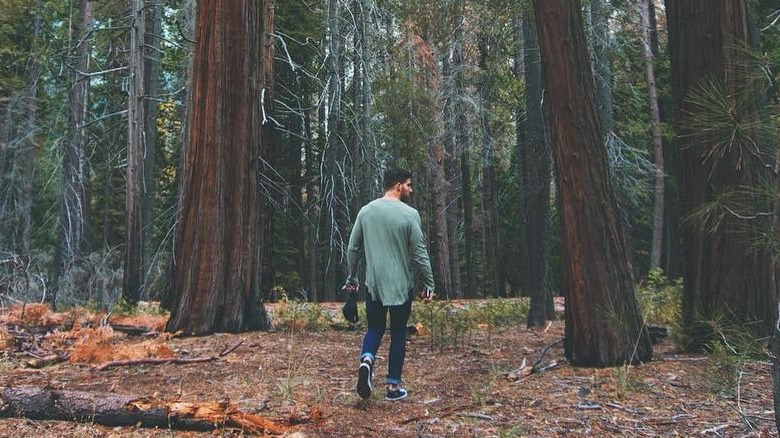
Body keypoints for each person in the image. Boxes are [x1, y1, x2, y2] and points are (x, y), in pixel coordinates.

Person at [344, 167, 435, 401]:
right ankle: (393, 388)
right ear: (397, 186)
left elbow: (353, 249)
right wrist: (428, 283)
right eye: (408, 184)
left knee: (374, 328)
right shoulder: (409, 214)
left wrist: (352, 278)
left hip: (374, 285)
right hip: (401, 286)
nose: (410, 189)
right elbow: (419, 253)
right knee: (397, 333)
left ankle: (366, 360)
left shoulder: (366, 212)